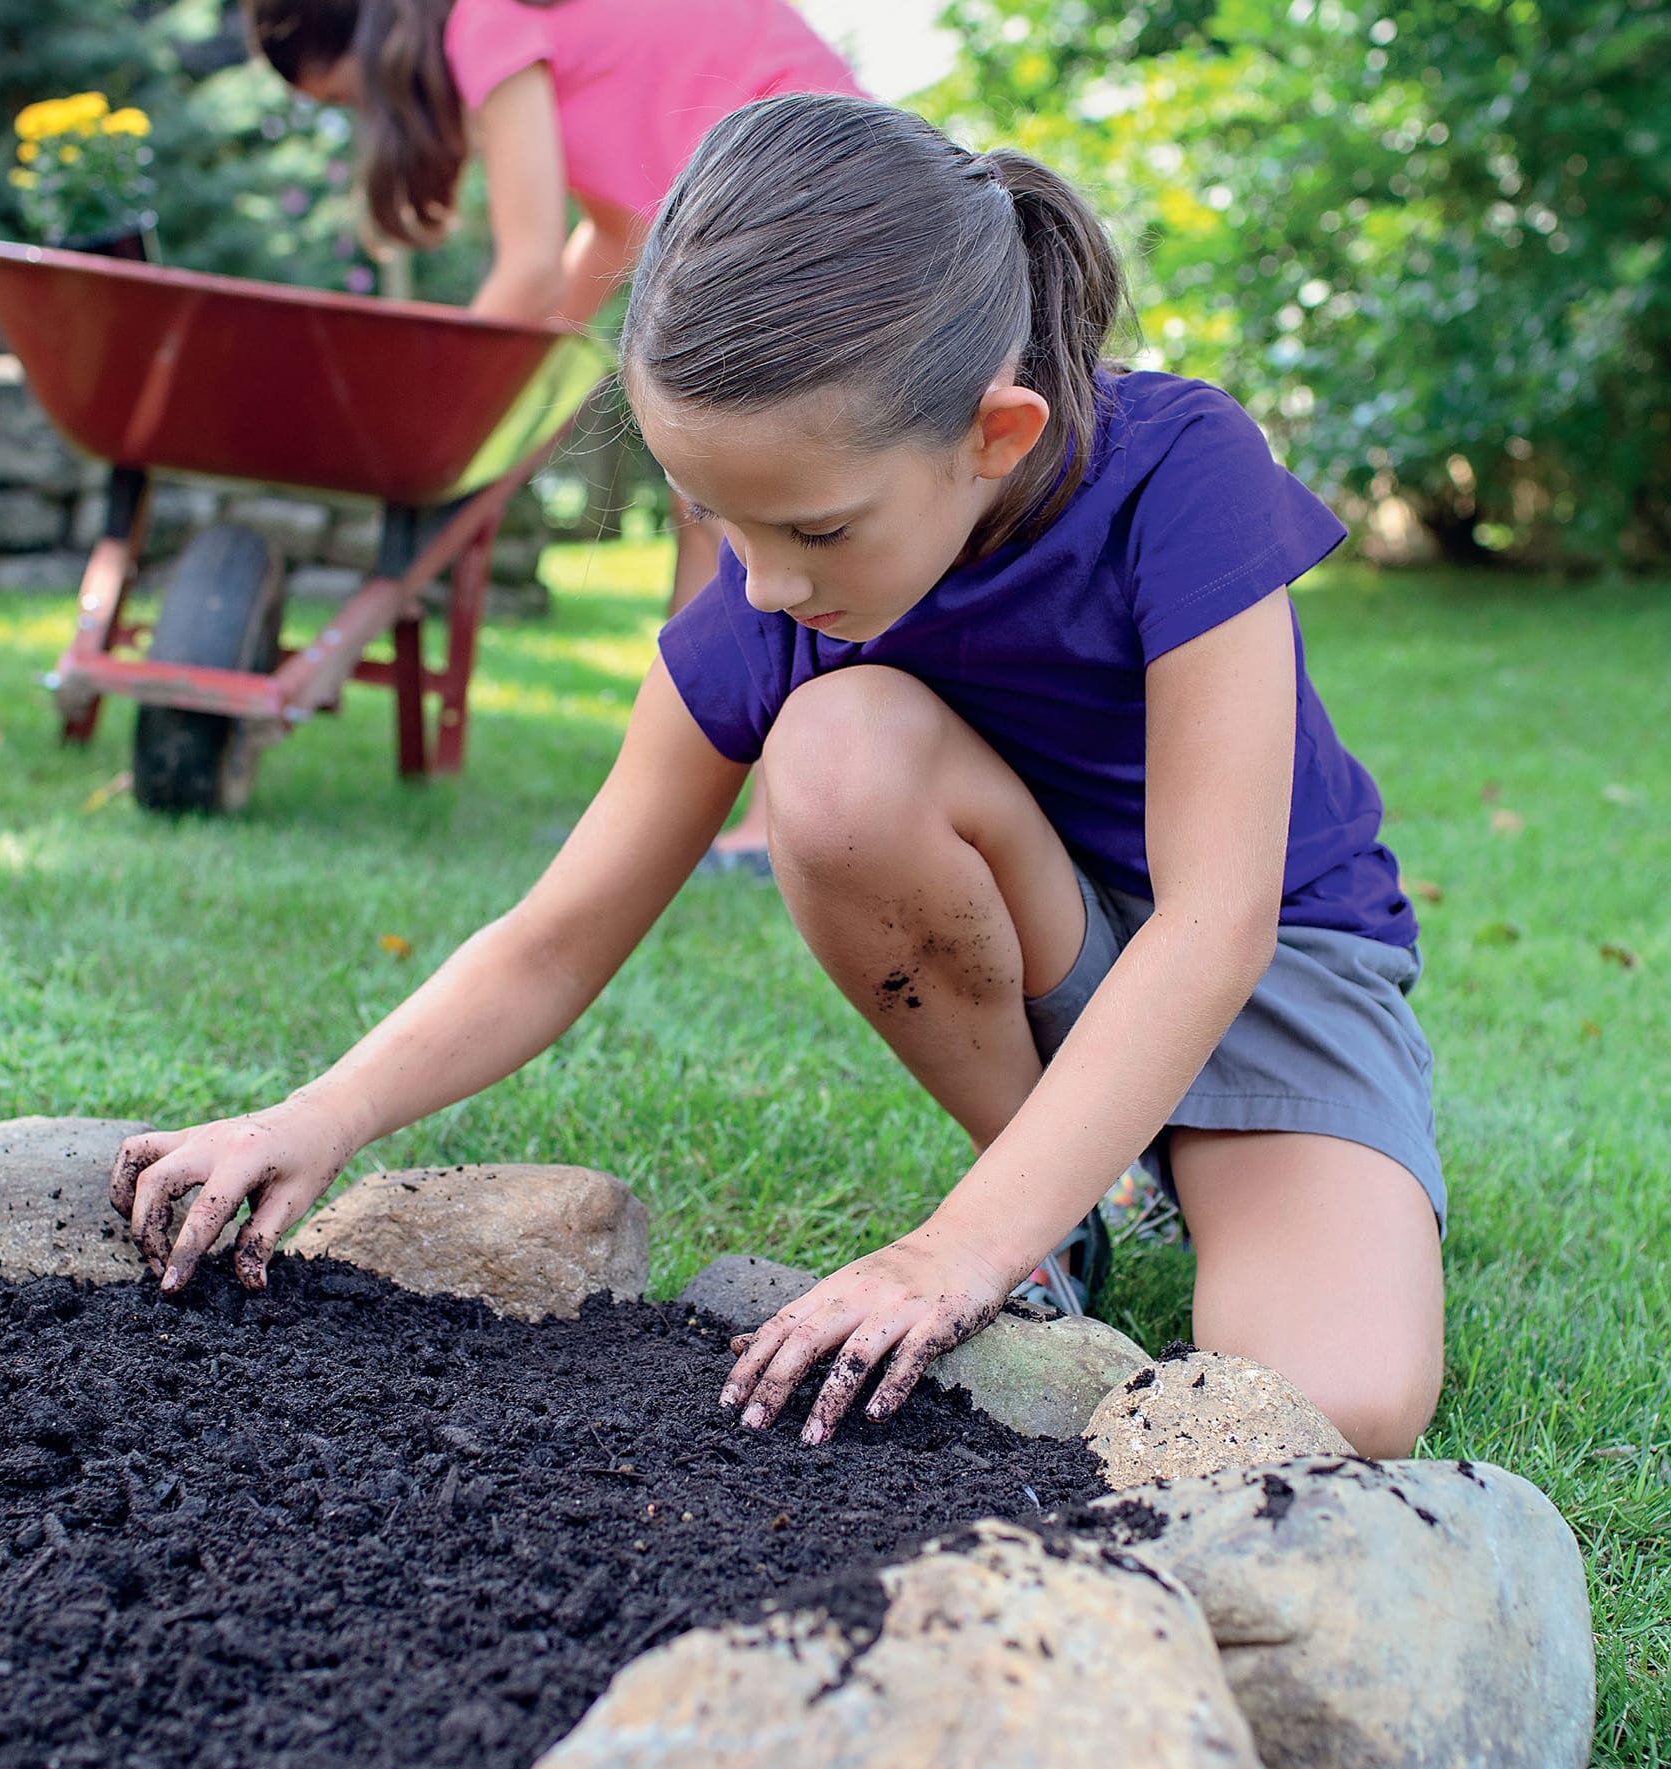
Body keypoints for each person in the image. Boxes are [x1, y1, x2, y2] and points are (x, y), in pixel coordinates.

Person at [113, 95, 1446, 1459]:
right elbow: (552, 936)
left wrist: (944, 1254)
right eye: (715, 521)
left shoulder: (1179, 471)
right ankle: (1053, 1203)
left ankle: (1048, 1204)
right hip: (1048, 942)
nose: (766, 583)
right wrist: (315, 1113)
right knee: (834, 752)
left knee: (1333, 1398)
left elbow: (1213, 923)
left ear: (991, 434)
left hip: (1272, 966)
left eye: (813, 526)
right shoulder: (778, 603)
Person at [244, 0, 859, 674]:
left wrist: (435, 412)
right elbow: (607, 231)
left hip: (808, 203)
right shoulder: (538, 28)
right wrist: (518, 379)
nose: (366, 119)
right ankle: (702, 747)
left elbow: (530, 267)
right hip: (835, 193)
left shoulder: (485, 19)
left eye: (350, 97)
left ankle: (699, 754)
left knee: (722, 509)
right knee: (714, 514)